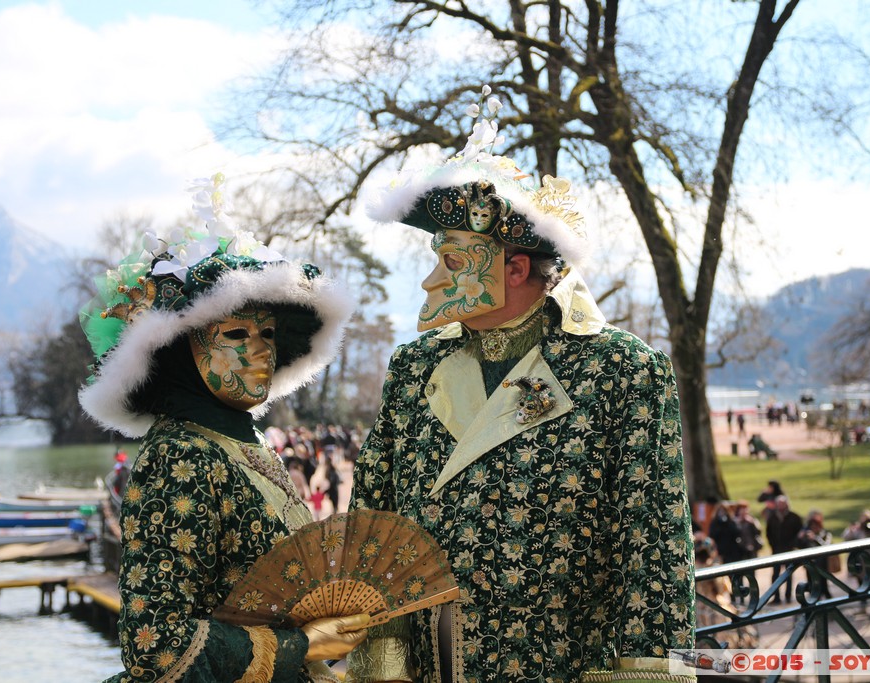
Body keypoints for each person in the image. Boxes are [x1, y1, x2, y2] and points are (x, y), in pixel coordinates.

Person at [346, 99, 695, 683]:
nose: (432, 279)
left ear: (513, 267)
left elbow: (653, 552)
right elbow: (375, 529)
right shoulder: (413, 370)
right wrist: (382, 665)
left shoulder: (621, 372)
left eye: (452, 259)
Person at [78, 174, 364, 683]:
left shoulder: (242, 444)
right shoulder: (179, 456)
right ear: (181, 354)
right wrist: (303, 645)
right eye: (235, 333)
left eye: (269, 333)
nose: (261, 350)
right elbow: (157, 647)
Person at [765, 495, 803, 604]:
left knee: (789, 574)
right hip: (776, 549)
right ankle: (776, 597)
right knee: (775, 574)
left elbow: (799, 533)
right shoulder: (772, 517)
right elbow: (768, 533)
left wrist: (793, 545)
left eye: (783, 504)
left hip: (789, 550)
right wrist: (773, 545)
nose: (781, 506)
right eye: (779, 504)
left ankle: (788, 596)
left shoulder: (794, 517)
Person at [795, 509, 833, 599]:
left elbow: (826, 545)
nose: (813, 527)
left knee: (824, 586)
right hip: (810, 563)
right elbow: (798, 546)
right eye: (812, 525)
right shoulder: (806, 534)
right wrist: (799, 537)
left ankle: (829, 605)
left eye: (815, 525)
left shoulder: (825, 533)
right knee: (812, 585)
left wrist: (815, 538)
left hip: (822, 564)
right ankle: (814, 604)